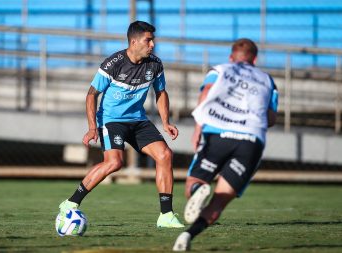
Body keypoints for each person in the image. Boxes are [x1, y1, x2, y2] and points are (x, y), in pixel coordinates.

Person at [57, 21, 184, 228]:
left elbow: (161, 92)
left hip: (138, 120)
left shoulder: (155, 64)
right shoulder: (113, 63)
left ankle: (166, 215)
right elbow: (91, 95)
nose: (152, 44)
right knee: (114, 163)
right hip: (111, 120)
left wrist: (166, 122)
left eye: (153, 40)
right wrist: (92, 127)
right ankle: (71, 202)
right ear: (134, 41)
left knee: (165, 155)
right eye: (148, 40)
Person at [172, 38, 279, 251]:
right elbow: (271, 118)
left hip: (218, 132)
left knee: (194, 181)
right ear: (255, 59)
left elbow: (206, 94)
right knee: (219, 201)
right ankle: (186, 236)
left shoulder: (219, 70)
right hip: (251, 140)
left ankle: (198, 189)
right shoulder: (267, 80)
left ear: (231, 57)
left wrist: (198, 127)